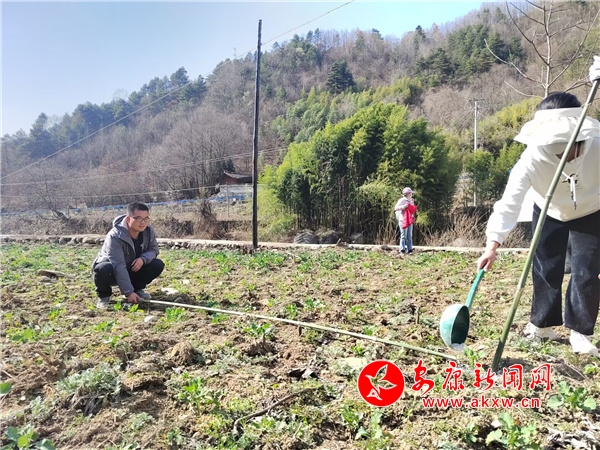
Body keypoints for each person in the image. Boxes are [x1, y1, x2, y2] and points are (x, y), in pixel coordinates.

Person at [477, 57, 600, 356]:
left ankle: (580, 332)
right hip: (549, 210)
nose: (563, 154)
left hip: (591, 210)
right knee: (546, 265)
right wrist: (493, 244)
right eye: (554, 148)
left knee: (586, 271)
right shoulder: (531, 160)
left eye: (569, 146)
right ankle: (542, 324)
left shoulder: (597, 146)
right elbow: (509, 202)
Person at [93, 202, 164, 309]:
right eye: (138, 218)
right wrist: (128, 292)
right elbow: (118, 265)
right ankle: (104, 296)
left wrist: (143, 259)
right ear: (128, 219)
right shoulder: (115, 236)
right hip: (113, 270)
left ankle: (137, 289)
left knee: (157, 264)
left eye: (146, 219)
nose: (143, 222)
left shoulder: (148, 230)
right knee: (103, 268)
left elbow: (154, 249)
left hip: (132, 267)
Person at [394, 187, 418, 254]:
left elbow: (412, 210)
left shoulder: (411, 200)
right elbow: (396, 208)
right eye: (410, 193)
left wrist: (412, 204)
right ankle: (402, 249)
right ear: (407, 194)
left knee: (409, 236)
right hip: (403, 220)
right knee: (403, 236)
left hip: (410, 220)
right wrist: (404, 206)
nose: (411, 194)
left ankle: (410, 249)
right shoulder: (402, 200)